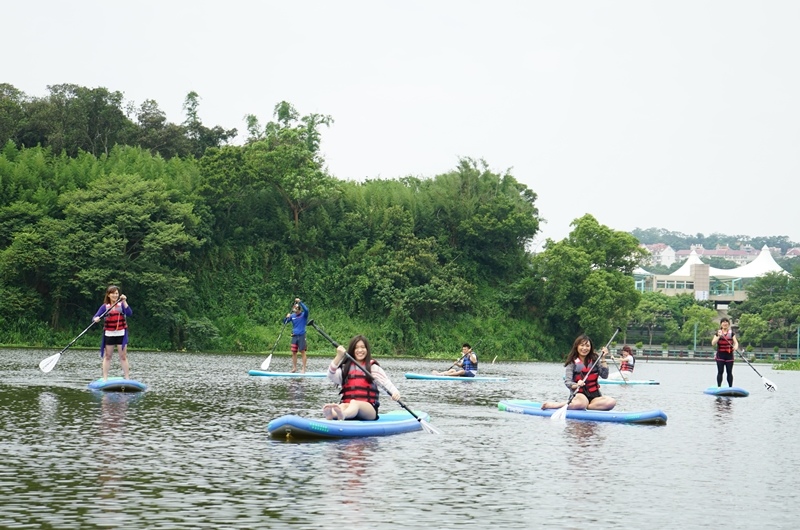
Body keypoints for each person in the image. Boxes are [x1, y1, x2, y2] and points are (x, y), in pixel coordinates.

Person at [322, 335, 401, 421]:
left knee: (354, 403)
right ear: (352, 350)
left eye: (363, 347)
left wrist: (395, 393)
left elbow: (386, 384)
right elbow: (330, 374)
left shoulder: (373, 368)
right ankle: (331, 415)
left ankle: (343, 415)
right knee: (343, 405)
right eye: (356, 348)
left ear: (367, 350)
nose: (360, 350)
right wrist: (339, 356)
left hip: (369, 410)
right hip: (349, 406)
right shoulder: (346, 368)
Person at [541, 334, 616, 411]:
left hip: (595, 397)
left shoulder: (595, 359)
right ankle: (556, 405)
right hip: (579, 396)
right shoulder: (572, 363)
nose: (584, 348)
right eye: (582, 345)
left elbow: (605, 375)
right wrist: (577, 385)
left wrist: (603, 358)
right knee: (582, 403)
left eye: (587, 346)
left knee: (611, 402)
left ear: (590, 348)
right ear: (577, 346)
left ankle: (587, 407)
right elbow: (568, 382)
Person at [93, 285, 133, 381]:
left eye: (116, 293)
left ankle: (127, 378)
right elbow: (95, 317)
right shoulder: (105, 307)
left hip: (121, 334)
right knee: (108, 356)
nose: (115, 295)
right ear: (108, 295)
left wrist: (124, 301)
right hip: (109, 334)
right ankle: (105, 378)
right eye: (113, 293)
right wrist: (96, 319)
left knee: (123, 356)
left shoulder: (122, 305)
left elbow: (129, 313)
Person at [711, 317, 739, 387]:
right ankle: (719, 387)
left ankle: (730, 387)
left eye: (726, 322)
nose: (725, 323)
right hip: (720, 355)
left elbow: (736, 343)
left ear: (728, 324)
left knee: (729, 372)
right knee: (720, 372)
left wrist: (735, 347)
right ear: (721, 324)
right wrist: (718, 336)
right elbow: (713, 343)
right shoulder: (718, 333)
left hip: (729, 355)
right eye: (723, 322)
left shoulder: (731, 333)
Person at [283, 298, 308, 373]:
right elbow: (285, 322)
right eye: (294, 308)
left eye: (296, 308)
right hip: (294, 336)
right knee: (294, 352)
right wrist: (286, 317)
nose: (295, 309)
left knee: (302, 351)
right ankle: (294, 368)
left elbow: (306, 310)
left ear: (299, 309)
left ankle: (303, 369)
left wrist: (300, 302)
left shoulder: (304, 315)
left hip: (301, 335)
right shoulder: (292, 316)